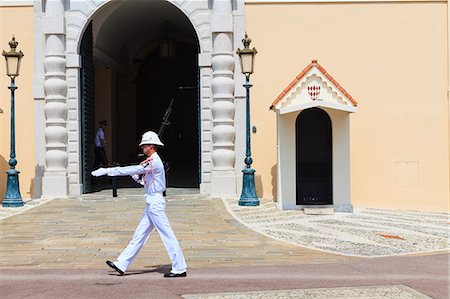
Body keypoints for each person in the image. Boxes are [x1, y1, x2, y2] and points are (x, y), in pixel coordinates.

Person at [91, 131, 187, 278]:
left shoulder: (153, 162)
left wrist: (107, 171)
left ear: (151, 146)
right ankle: (122, 263)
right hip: (151, 202)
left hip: (155, 203)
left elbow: (133, 169)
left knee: (167, 235)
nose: (142, 148)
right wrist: (137, 178)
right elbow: (146, 181)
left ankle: (179, 268)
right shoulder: (151, 161)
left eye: (144, 146)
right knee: (139, 235)